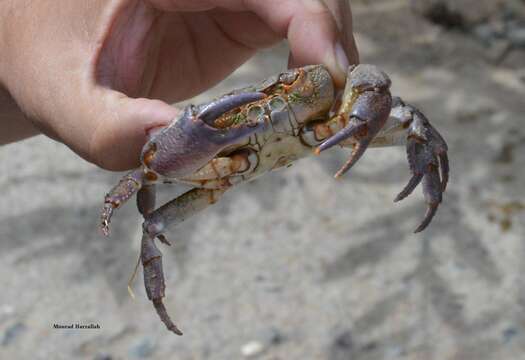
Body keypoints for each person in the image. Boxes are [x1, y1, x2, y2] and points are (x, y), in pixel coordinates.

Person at [0, 0, 358, 170]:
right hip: (220, 160)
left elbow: (374, 86)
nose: (261, 111)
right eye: (245, 111)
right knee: (152, 212)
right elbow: (147, 181)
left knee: (398, 109)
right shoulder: (211, 160)